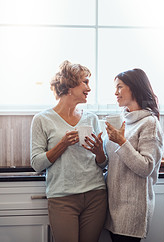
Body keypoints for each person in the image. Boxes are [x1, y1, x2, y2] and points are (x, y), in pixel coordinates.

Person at [30, 60, 107, 242]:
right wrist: (62, 144)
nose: (89, 88)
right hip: (62, 198)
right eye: (85, 82)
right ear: (70, 85)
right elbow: (36, 164)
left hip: (95, 195)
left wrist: (99, 152)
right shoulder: (42, 119)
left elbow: (103, 163)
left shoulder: (92, 118)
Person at [104, 68, 164, 242]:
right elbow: (112, 161)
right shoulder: (122, 121)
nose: (115, 92)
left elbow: (145, 167)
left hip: (132, 207)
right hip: (114, 205)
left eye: (120, 87)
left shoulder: (149, 123)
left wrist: (121, 142)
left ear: (134, 88)